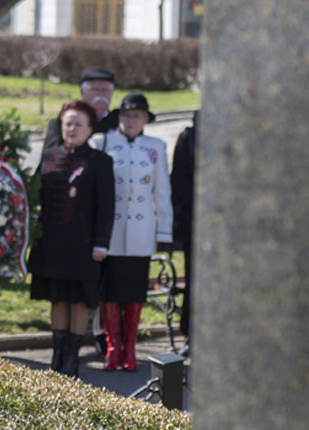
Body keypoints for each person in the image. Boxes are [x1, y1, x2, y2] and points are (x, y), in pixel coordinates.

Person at [28, 100, 114, 378]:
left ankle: (72, 358)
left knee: (78, 300)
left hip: (84, 242)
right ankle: (57, 353)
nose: (72, 128)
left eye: (78, 124)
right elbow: (36, 192)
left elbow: (107, 206)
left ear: (90, 129)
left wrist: (101, 242)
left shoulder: (100, 161)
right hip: (52, 240)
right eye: (67, 123)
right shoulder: (51, 155)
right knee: (58, 298)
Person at [94, 93, 172, 372]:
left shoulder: (156, 147)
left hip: (141, 228)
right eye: (127, 115)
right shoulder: (102, 142)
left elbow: (162, 191)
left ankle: (129, 347)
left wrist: (164, 230)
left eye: (137, 116)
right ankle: (112, 346)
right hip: (110, 229)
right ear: (119, 117)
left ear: (146, 120)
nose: (131, 121)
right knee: (110, 290)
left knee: (134, 291)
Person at [40, 66, 119, 154]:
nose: (100, 94)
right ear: (82, 92)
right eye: (95, 90)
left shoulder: (118, 123)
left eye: (105, 90)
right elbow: (51, 157)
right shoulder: (63, 123)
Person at [171, 110, 198, 345]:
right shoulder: (189, 136)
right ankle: (192, 333)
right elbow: (178, 179)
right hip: (196, 219)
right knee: (195, 277)